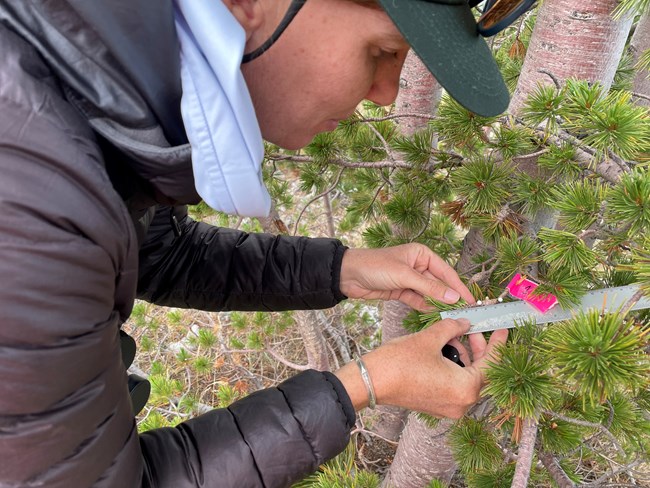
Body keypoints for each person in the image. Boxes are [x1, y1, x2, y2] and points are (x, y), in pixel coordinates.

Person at [0, 0, 529, 486]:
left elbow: (158, 251)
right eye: (383, 51)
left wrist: (342, 270)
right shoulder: (30, 197)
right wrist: (366, 383)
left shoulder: (89, 106)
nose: (388, 92)